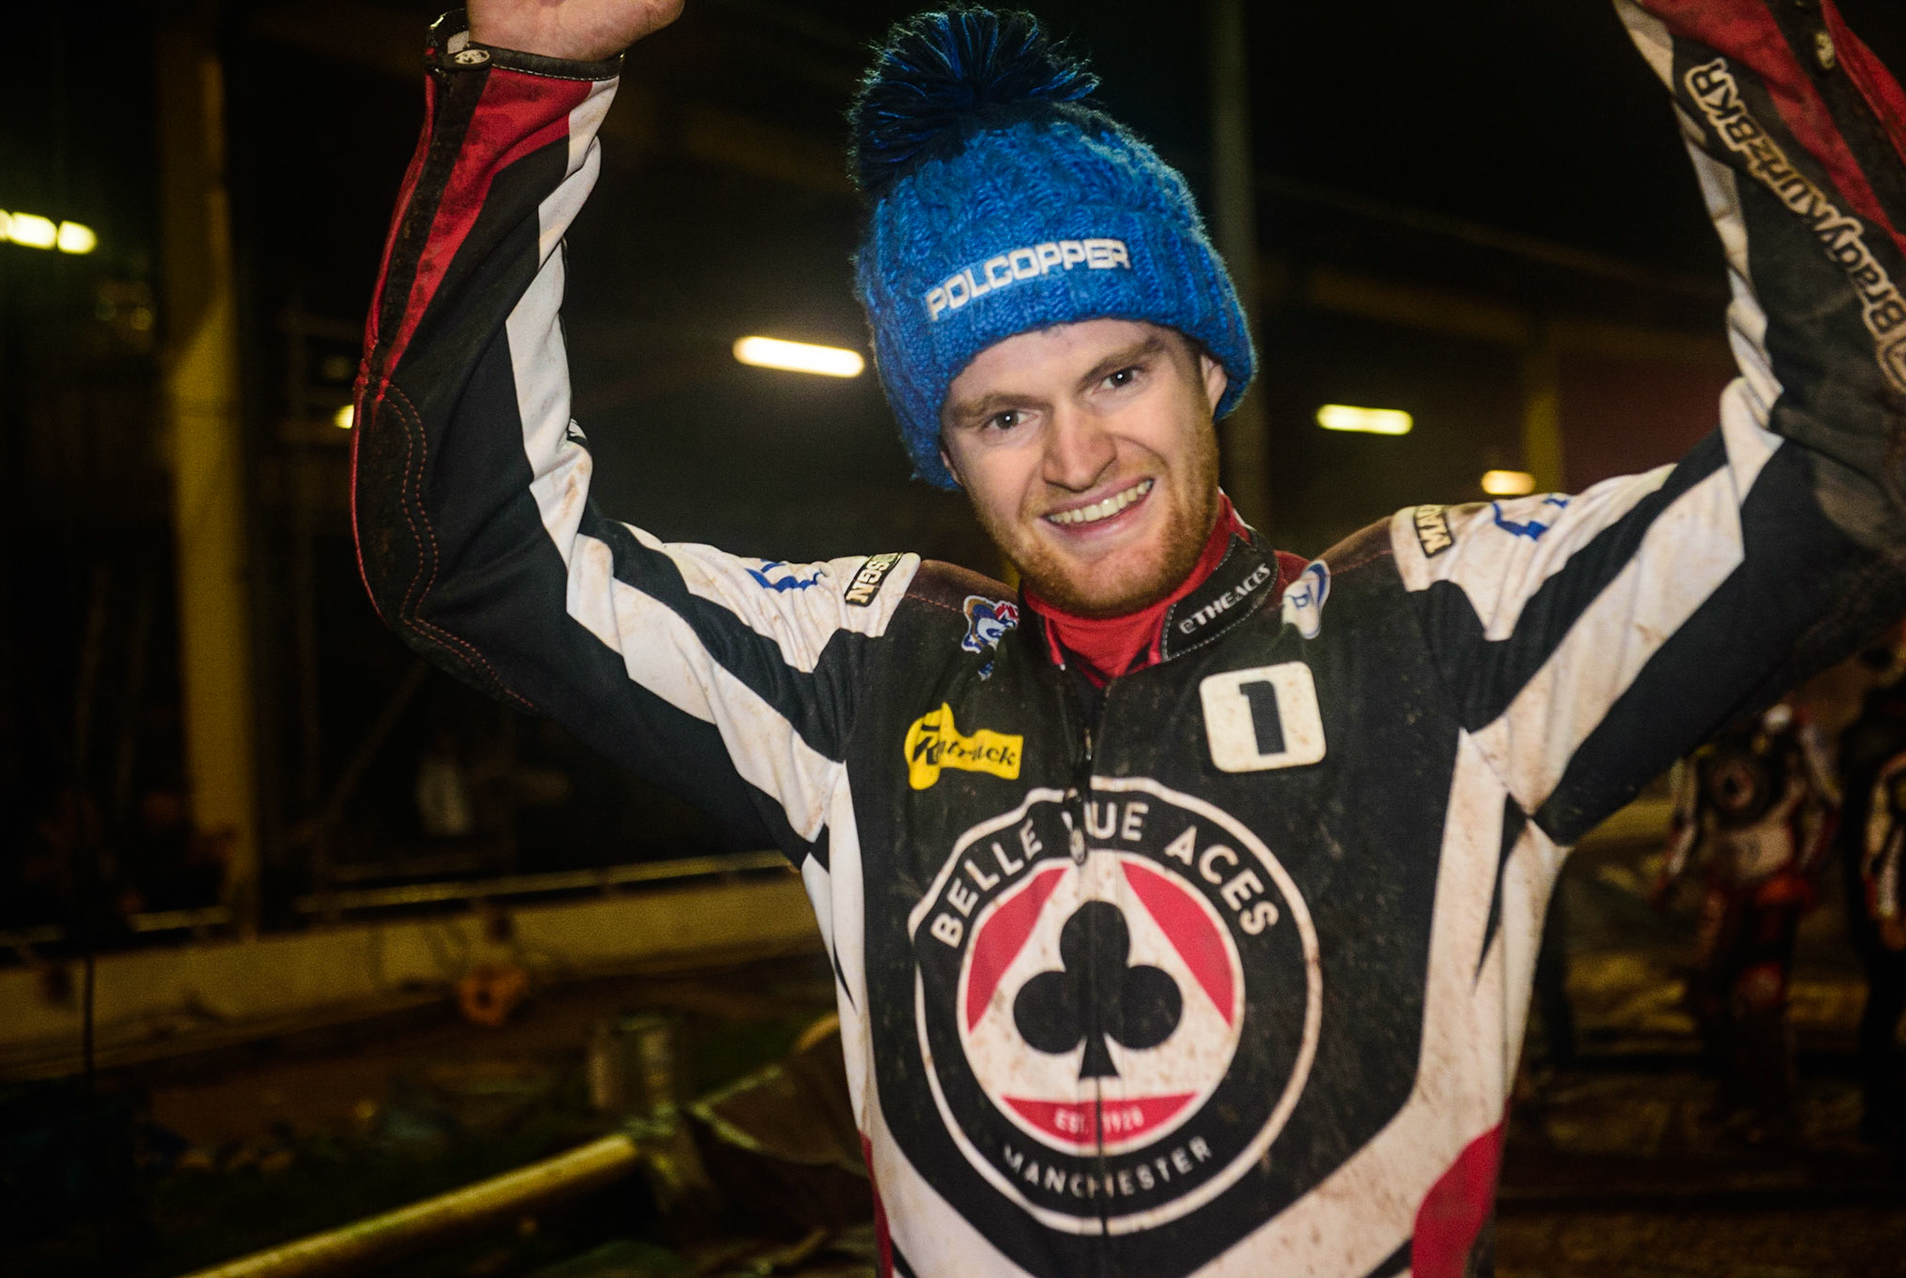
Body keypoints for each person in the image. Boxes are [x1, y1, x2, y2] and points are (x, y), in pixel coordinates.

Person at [349, 1, 1906, 1272]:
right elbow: (474, 554)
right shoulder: (850, 673)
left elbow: (1859, 465)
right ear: (939, 447)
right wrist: (523, 80)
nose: (1078, 460)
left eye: (1120, 374)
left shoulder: (1450, 637)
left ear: (1209, 368)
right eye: (1002, 411)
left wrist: (1732, 23)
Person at [1654, 702, 1839, 1142]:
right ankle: (1738, 1088)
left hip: (1775, 882)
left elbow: (1829, 804)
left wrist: (1807, 869)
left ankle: (1777, 1107)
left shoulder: (1792, 734)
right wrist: (1670, 873)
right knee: (1707, 994)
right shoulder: (1703, 740)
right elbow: (1689, 816)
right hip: (1726, 882)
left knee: (1761, 993)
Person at [1833, 645, 1906, 1145]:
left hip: (1879, 898)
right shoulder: (1887, 758)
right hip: (1890, 899)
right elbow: (1883, 846)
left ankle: (1879, 1114)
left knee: (1885, 1003)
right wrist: (1884, 910)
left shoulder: (1868, 737)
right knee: (1887, 1003)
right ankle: (1880, 1115)